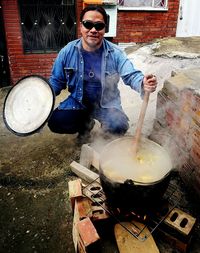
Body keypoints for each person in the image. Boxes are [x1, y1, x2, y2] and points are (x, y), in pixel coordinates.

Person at [48, 5, 157, 143]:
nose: (93, 30)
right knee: (56, 122)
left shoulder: (115, 53)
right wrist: (43, 96)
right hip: (78, 103)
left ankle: (103, 139)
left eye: (99, 26)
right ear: (81, 27)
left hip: (106, 105)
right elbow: (56, 81)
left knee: (118, 126)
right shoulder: (67, 51)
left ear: (105, 29)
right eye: (88, 24)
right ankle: (85, 127)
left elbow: (131, 75)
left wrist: (143, 83)